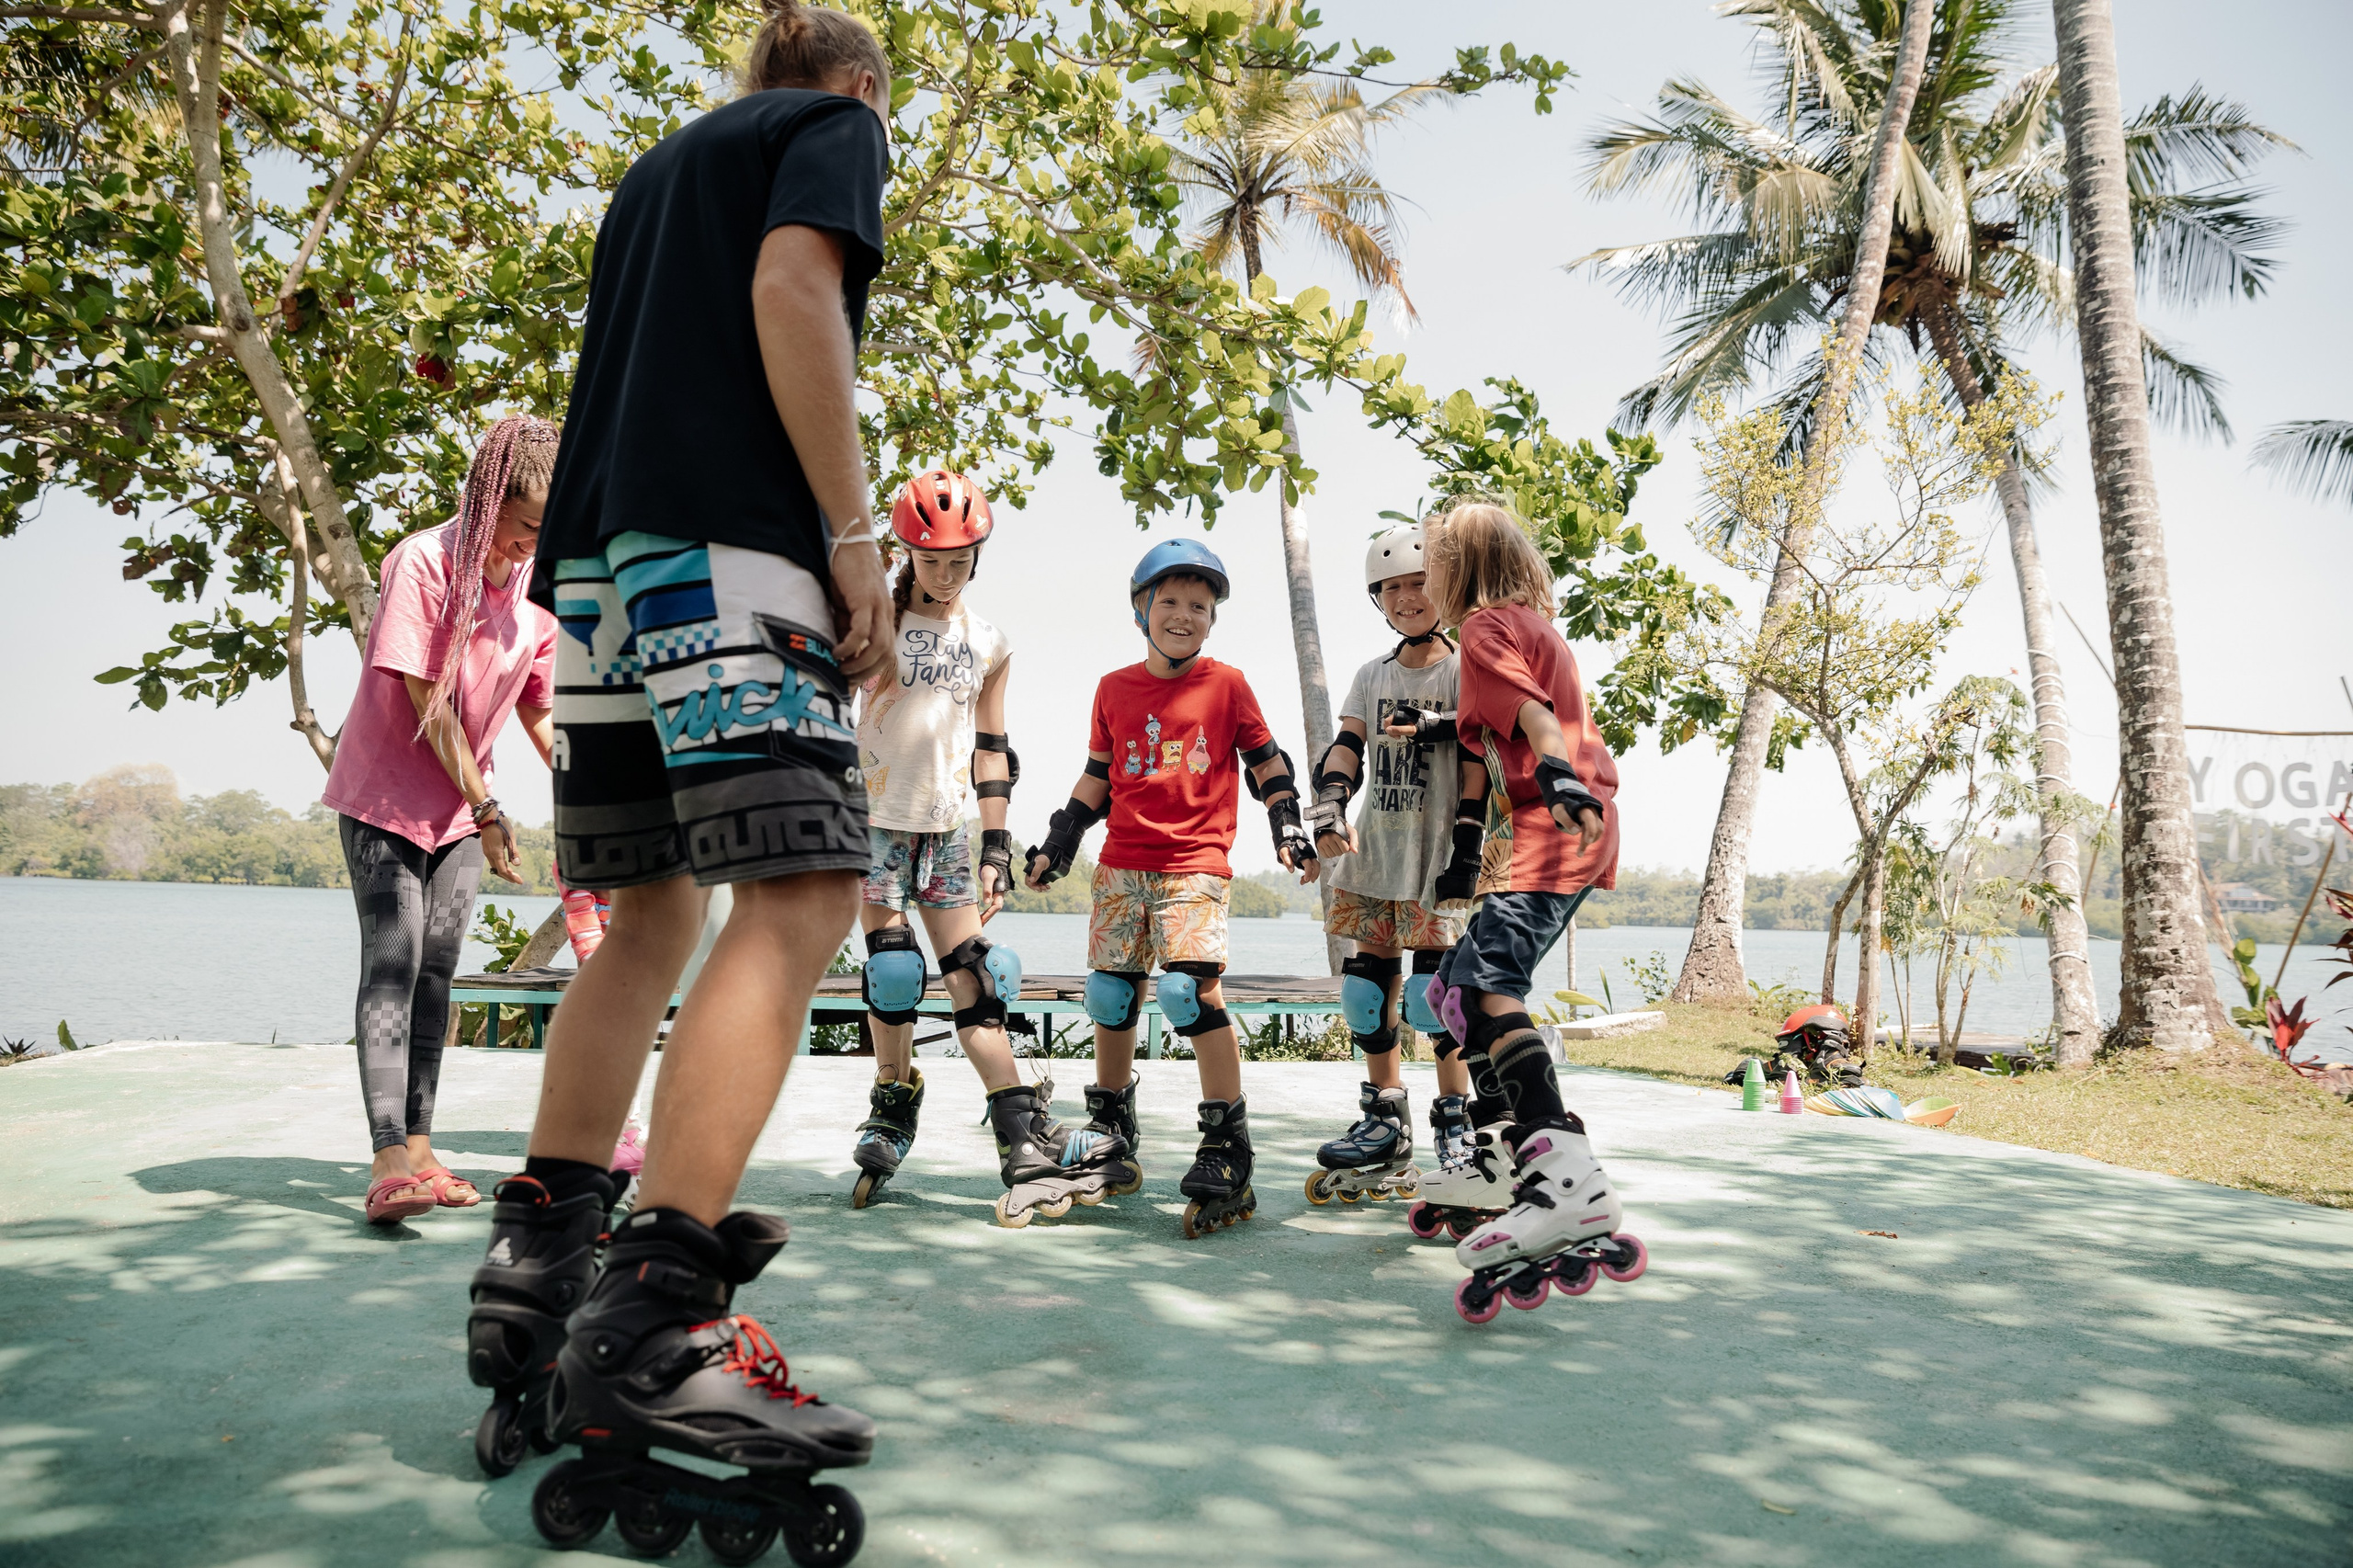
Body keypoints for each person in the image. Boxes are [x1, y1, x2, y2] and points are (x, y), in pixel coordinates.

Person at [461, 1, 892, 1536]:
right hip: (728, 552)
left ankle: (540, 1257)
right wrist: (852, 543)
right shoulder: (829, 132)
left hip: (594, 580)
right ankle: (659, 1308)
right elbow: (796, 292)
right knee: (800, 890)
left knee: (647, 919)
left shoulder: (656, 172)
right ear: (852, 88)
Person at [848, 469, 1129, 1222]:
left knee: (978, 979)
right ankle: (893, 1097)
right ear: (908, 552)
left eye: (959, 561)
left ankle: (1020, 1135)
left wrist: (998, 846)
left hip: (946, 830)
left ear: (979, 555)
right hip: (873, 822)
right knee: (896, 974)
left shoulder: (989, 642)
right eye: (931, 560)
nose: (945, 574)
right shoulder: (872, 615)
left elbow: (992, 748)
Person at [1023, 539, 1314, 1239]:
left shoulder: (1227, 684)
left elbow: (1267, 763)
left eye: (1200, 606)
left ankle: (1225, 1142)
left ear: (1213, 619)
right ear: (1142, 610)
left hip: (1195, 864)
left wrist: (1288, 827)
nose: (1185, 615)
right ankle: (1111, 1128)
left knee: (1188, 992)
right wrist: (1060, 843)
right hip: (1122, 863)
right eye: (1173, 602)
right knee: (1111, 992)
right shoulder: (1113, 688)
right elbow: (1099, 774)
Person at [1409, 501, 1647, 1325]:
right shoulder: (1530, 627)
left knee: (1485, 988)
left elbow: (1539, 722)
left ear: (1458, 570)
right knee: (1450, 993)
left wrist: (1559, 778)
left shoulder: (1480, 631)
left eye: (1432, 565)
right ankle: (1507, 1160)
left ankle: (1566, 1180)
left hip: (1558, 816)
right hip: (1566, 821)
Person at [320, 414, 560, 1227]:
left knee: (436, 973)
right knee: (391, 962)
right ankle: (389, 1158)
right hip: (388, 801)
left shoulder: (531, 591)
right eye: (526, 525)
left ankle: (421, 1149)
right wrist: (491, 808)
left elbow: (541, 708)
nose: (533, 542)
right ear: (491, 503)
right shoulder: (424, 562)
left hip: (460, 811)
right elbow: (429, 701)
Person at [1301, 522, 1485, 1208]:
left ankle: (1456, 1127)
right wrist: (1328, 804)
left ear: (1443, 590)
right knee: (1367, 994)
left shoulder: (1467, 667)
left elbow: (1481, 751)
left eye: (1419, 584)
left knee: (1434, 1005)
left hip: (1438, 856)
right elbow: (1347, 744)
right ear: (1378, 598)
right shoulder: (1370, 675)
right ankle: (1385, 1120)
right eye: (1393, 588)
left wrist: (1467, 851)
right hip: (1376, 849)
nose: (1407, 597)